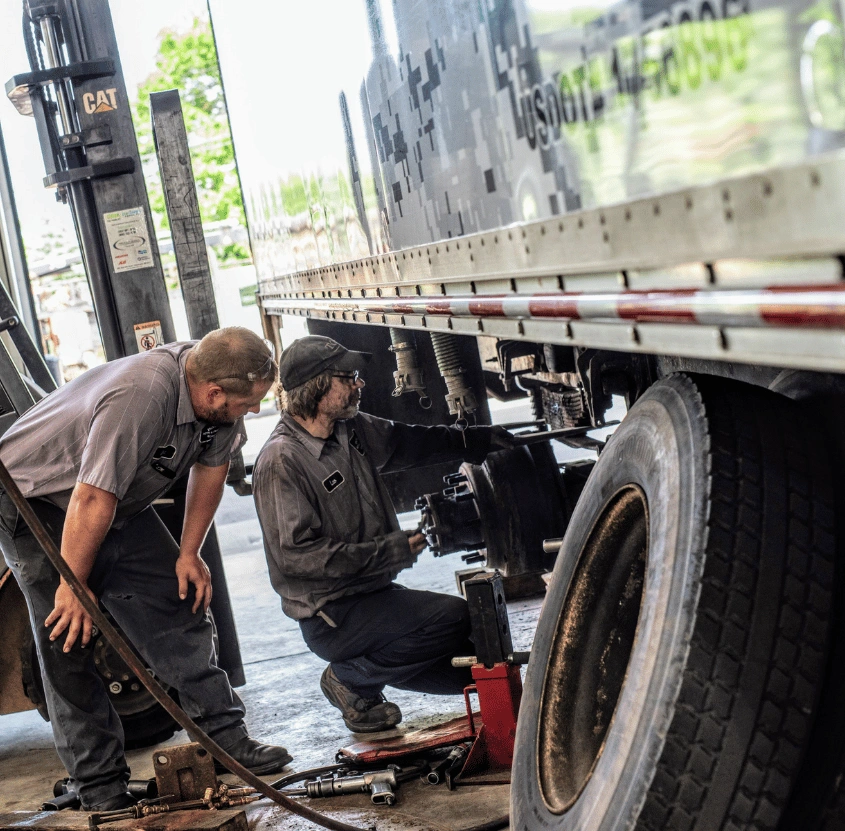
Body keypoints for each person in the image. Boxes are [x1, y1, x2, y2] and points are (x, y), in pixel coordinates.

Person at [0, 327, 292, 811]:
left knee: (176, 602)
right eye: (249, 403)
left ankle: (225, 742)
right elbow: (90, 498)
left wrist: (189, 552)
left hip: (108, 496)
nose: (255, 409)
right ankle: (99, 786)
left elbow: (212, 468)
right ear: (213, 393)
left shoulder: (216, 391)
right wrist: (73, 585)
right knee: (68, 638)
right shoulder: (142, 396)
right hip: (34, 498)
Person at [252, 335, 515, 733]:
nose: (359, 383)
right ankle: (349, 679)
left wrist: (476, 441)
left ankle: (368, 677)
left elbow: (407, 442)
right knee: (452, 617)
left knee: (476, 664)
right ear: (317, 386)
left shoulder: (349, 429)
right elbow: (298, 557)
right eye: (348, 378)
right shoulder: (281, 461)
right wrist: (387, 552)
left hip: (372, 596)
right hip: (333, 615)